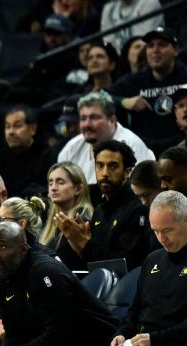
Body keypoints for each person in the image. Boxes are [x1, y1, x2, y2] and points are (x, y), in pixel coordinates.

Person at [81, 190, 187, 346]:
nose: (161, 238)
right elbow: (134, 310)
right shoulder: (153, 259)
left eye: (168, 230)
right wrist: (121, 334)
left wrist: (156, 339)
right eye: (156, 231)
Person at [57, 139, 154, 269]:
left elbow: (125, 265)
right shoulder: (99, 210)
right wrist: (77, 243)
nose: (105, 173)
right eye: (99, 165)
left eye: (113, 166)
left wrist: (84, 242)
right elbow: (90, 261)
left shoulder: (137, 208)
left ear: (127, 172)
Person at [108, 26, 187, 154]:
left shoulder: (185, 75)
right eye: (150, 46)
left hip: (183, 149)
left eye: (162, 45)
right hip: (144, 152)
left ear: (176, 50)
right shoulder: (135, 80)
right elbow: (97, 97)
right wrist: (124, 102)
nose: (155, 50)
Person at [57, 90, 154, 183]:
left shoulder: (132, 145)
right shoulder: (71, 148)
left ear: (112, 120)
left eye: (94, 117)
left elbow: (139, 193)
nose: (87, 124)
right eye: (83, 118)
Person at [0, 105, 57, 198]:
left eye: (17, 126)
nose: (11, 132)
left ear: (32, 129)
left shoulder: (47, 157)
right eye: (8, 126)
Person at [40, 162, 94, 269]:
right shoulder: (51, 220)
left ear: (78, 189)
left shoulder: (83, 219)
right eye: (50, 183)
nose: (53, 188)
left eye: (60, 182)